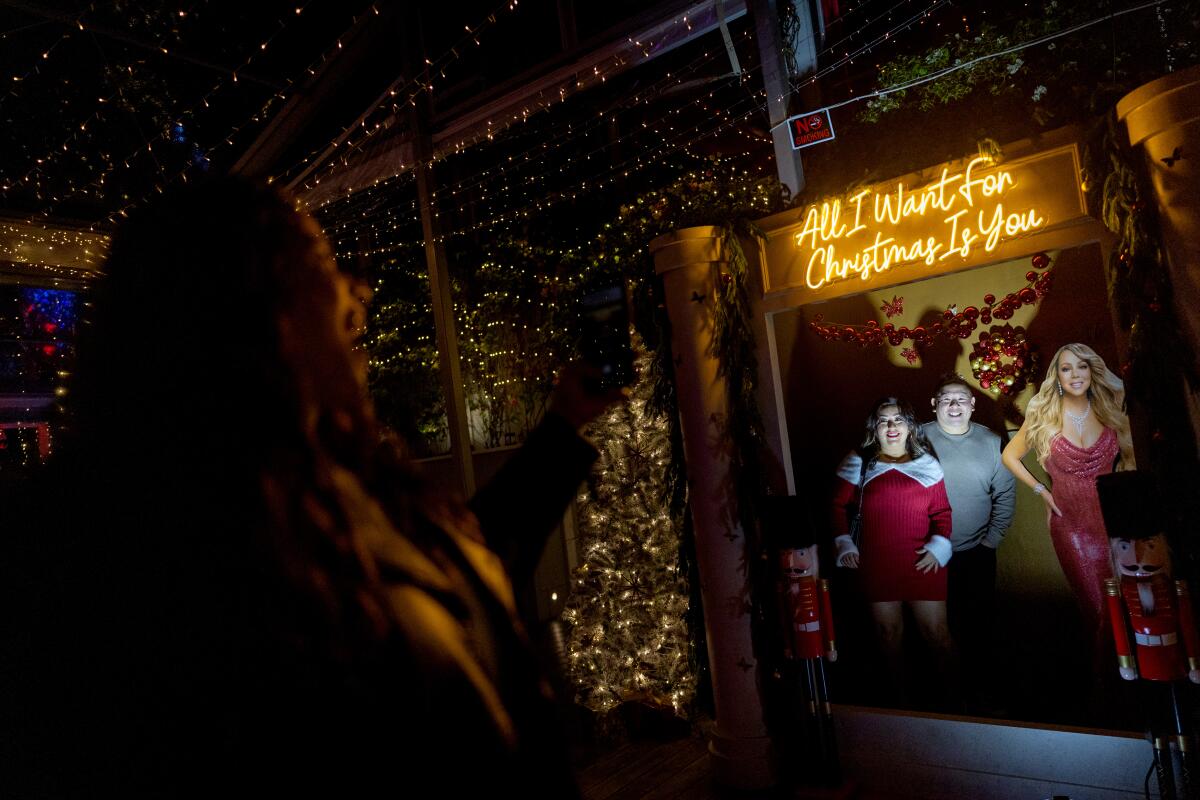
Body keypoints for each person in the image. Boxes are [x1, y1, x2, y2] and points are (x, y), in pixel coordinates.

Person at [1, 178, 621, 796]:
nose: (357, 295)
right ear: (259, 317)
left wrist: (563, 423)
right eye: (322, 266)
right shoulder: (181, 569)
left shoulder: (336, 480)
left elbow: (467, 567)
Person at [1001, 343, 1134, 673]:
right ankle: (1106, 684)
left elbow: (1132, 459)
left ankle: (1130, 682)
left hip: (1116, 523)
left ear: (1092, 371)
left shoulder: (1110, 409)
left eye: (1082, 366)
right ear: (1057, 376)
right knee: (1098, 610)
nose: (1075, 374)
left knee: (1126, 604)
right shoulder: (1044, 417)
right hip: (1071, 527)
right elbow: (1009, 456)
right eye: (1066, 368)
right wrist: (1041, 490)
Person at [831, 397, 954, 706]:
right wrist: (844, 542)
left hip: (924, 562)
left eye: (898, 419)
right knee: (888, 636)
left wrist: (939, 546)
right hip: (877, 565)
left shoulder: (928, 464)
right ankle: (903, 706)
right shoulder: (860, 462)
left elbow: (942, 513)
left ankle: (955, 705)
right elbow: (835, 506)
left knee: (937, 635)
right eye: (884, 420)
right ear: (874, 428)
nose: (891, 426)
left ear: (910, 426)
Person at [920, 373, 1015, 712]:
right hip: (926, 555)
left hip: (976, 553)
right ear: (934, 404)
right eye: (946, 399)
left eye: (961, 398)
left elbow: (1006, 495)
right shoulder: (915, 438)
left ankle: (979, 695)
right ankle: (942, 699)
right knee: (934, 630)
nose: (954, 405)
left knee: (977, 626)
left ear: (973, 405)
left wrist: (990, 542)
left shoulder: (991, 442)